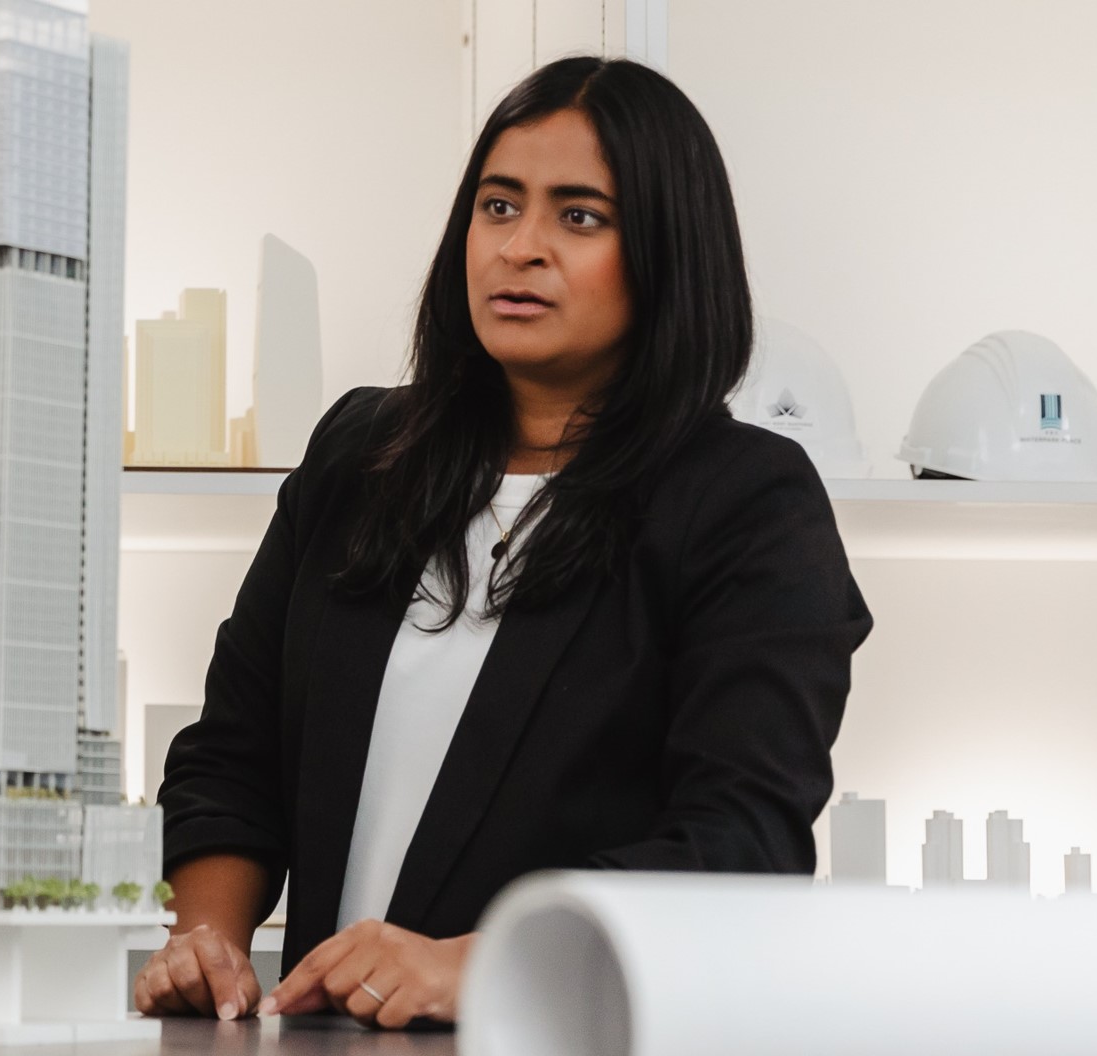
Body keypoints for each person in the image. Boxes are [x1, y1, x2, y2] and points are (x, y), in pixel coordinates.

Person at [131, 56, 873, 1030]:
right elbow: (234, 755)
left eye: (579, 216)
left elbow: (741, 845)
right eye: (497, 206)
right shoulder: (361, 456)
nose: (520, 247)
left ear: (666, 252)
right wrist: (209, 946)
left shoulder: (746, 501)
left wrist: (479, 965)